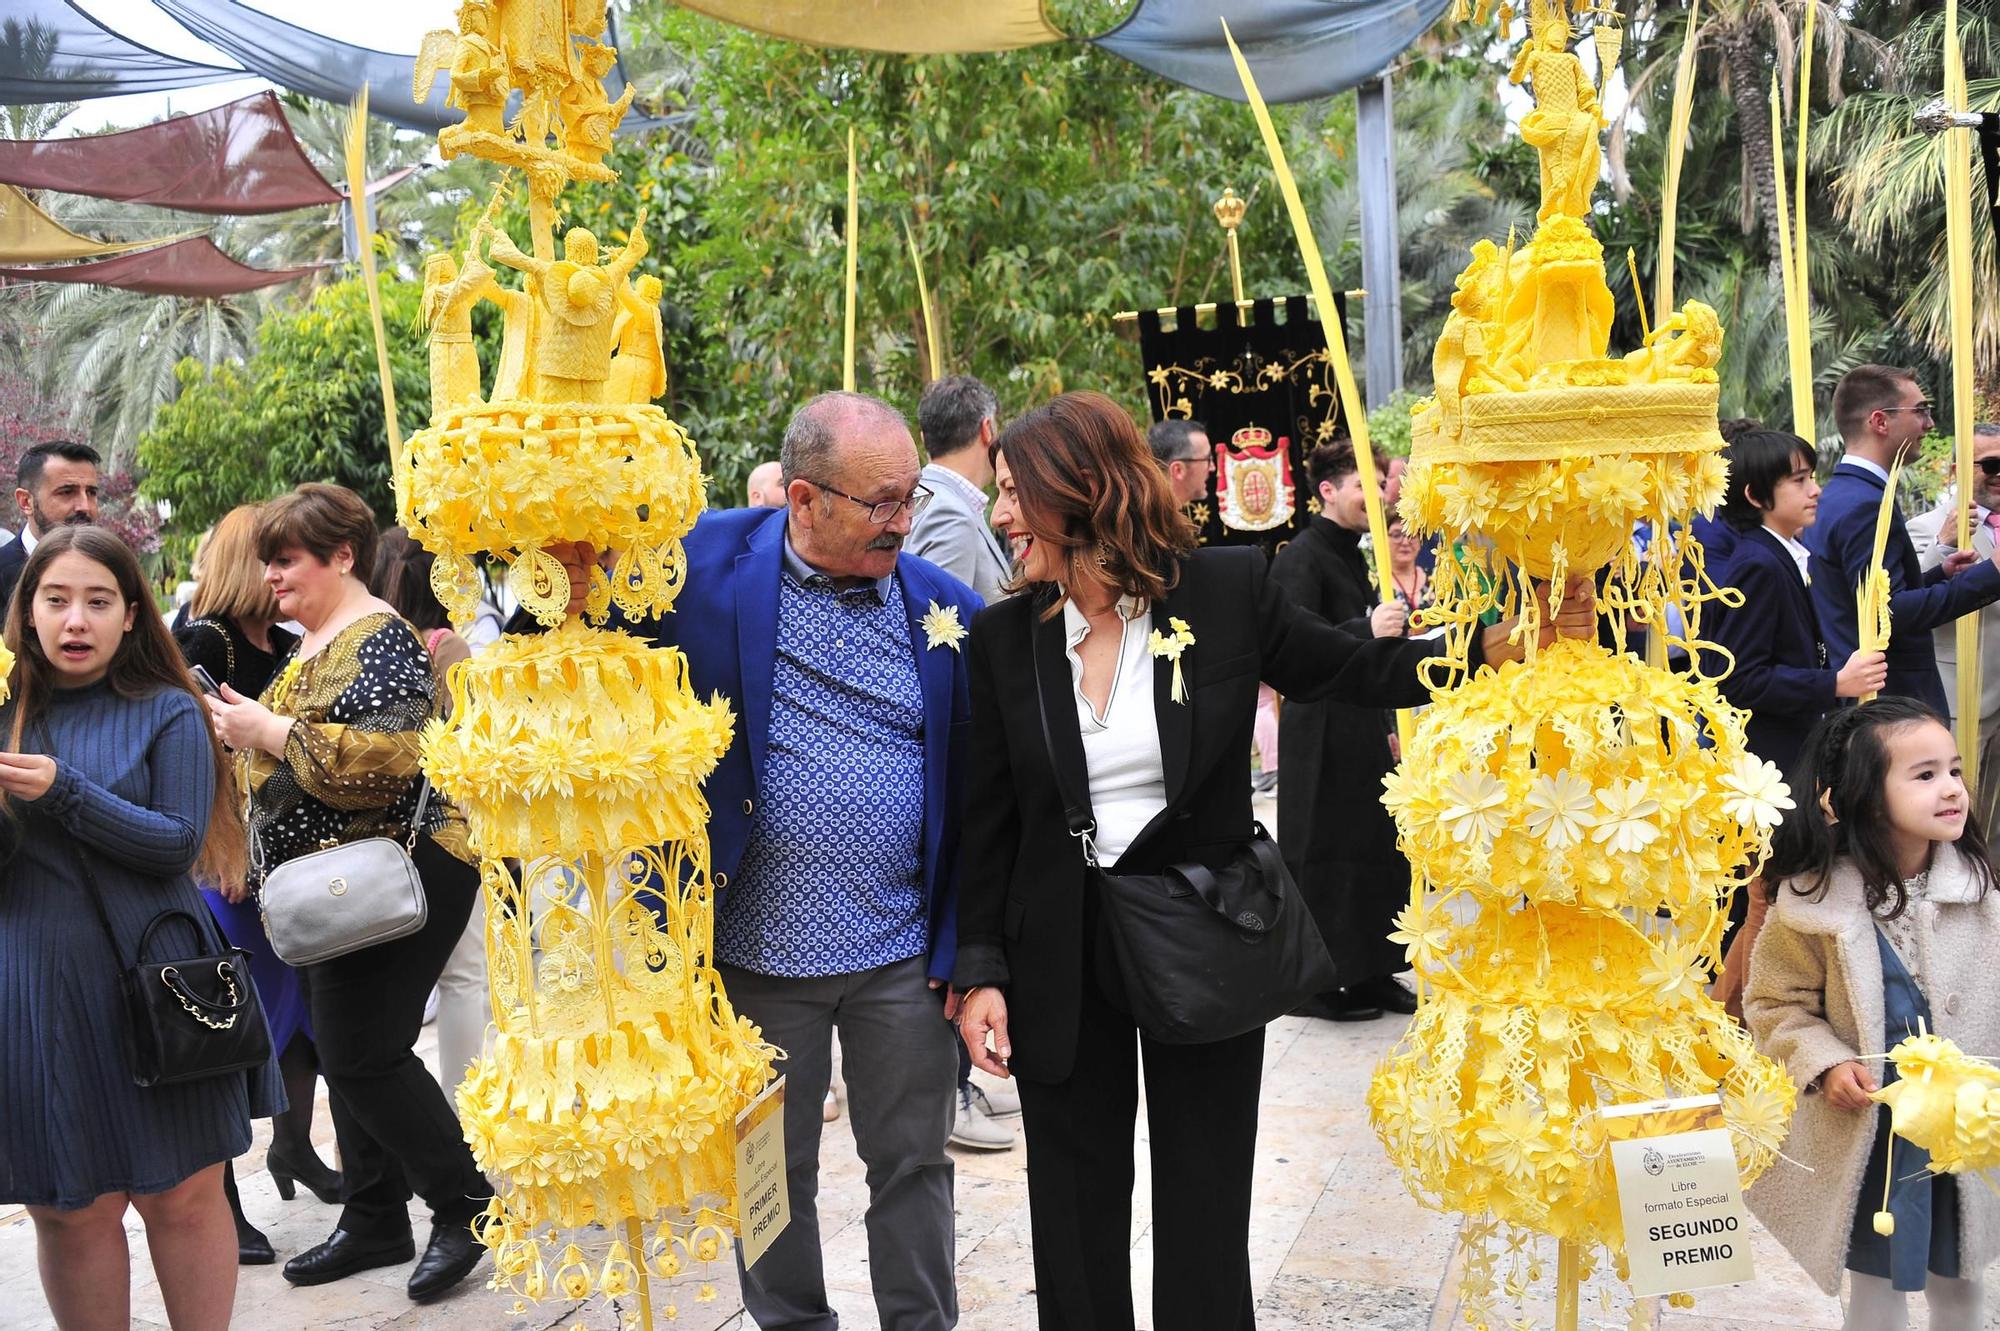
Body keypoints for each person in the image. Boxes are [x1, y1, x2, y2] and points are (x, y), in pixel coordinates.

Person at [952, 391, 1596, 1331]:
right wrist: (980, 971)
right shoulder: (1004, 638)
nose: (1000, 514)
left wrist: (1489, 650)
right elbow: (990, 817)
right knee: (1072, 1210)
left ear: (1080, 491)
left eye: (1016, 494)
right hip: (1059, 949)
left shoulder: (1221, 588)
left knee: (1205, 1204)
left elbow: (1344, 666)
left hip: (1205, 931)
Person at [634, 391, 982, 1331]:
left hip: (900, 955)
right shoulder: (702, 565)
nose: (903, 521)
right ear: (801, 499)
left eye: (910, 496)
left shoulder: (948, 608)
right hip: (751, 953)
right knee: (765, 1170)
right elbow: (596, 608)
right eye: (880, 502)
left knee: (912, 1162)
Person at [202, 484, 493, 1301]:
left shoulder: (379, 634)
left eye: (286, 559)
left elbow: (395, 755)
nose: (271, 576)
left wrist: (269, 731)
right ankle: (374, 1216)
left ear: (341, 556)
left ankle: (464, 1201)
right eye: (267, 561)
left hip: (404, 867)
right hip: (339, 883)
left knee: (364, 1054)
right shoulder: (320, 636)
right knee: (344, 1047)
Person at [0, 524, 273, 1331]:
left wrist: (64, 792)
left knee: (183, 1192)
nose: (74, 620)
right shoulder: (6, 710)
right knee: (69, 1205)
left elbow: (176, 843)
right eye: (56, 600)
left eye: (96, 601)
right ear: (29, 611)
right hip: (35, 989)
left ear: (130, 615)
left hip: (156, 980)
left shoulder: (168, 709)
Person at [1746, 699, 2000, 1331]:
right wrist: (1826, 1063)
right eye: (1924, 775)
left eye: (1954, 770)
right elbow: (1775, 1003)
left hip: (1964, 1138)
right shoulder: (1813, 903)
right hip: (1875, 1137)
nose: (1951, 789)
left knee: (1964, 1284)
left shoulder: (1979, 891)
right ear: (1862, 795)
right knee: (1878, 1289)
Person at [173, 504, 339, 1266]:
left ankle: (294, 1150)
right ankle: (227, 1203)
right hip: (229, 866)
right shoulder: (205, 641)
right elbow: (191, 757)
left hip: (285, 865)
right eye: (271, 556)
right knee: (239, 1035)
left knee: (297, 1022)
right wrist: (223, 852)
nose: (282, 571)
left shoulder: (288, 642)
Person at [1708, 430, 1886, 1019]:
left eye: (1812, 477)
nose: (1815, 491)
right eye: (1801, 481)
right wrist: (1833, 683)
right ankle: (1733, 1020)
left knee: (1769, 899)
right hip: (1771, 763)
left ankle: (1742, 1018)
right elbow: (1738, 678)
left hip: (1789, 756)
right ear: (1758, 494)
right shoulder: (1758, 562)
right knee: (1763, 900)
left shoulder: (1775, 553)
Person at [1269, 441, 1414, 1022]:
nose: (1376, 497)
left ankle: (1371, 971)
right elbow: (1291, 640)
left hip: (1359, 722)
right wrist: (1364, 625)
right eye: (1363, 485)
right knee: (1325, 851)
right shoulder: (1301, 556)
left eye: (1380, 485)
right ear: (1328, 491)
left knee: (1371, 845)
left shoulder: (1356, 552)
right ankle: (1315, 984)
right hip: (1320, 728)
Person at [1807, 366, 2000, 713]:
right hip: (1890, 703)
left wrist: (1939, 574)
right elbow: (1888, 614)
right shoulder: (1863, 503)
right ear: (1880, 421)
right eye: (1921, 411)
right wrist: (1993, 572)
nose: (1929, 425)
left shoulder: (1844, 493)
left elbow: (1868, 599)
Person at [370, 526, 486, 1101]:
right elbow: (464, 746)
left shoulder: (361, 647)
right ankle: (462, 1124)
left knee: (390, 992)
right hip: (441, 830)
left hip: (372, 841)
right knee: (464, 975)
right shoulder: (445, 646)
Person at [1908, 422, 2000, 834]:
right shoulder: (1927, 528)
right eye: (1990, 464)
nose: (1999, 474)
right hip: (1965, 700)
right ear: (1960, 468)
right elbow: (1909, 605)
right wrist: (1942, 547)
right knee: (1962, 821)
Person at [910, 374, 1011, 604]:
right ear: (987, 429)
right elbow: (942, 625)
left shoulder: (916, 495)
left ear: (924, 438)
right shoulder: (949, 515)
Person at [0, 439, 101, 617]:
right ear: (26, 501)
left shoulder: (114, 571)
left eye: (91, 493)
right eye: (67, 492)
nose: (84, 506)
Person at [1144, 419, 1213, 509]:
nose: (1212, 467)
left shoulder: (1155, 513)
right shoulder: (1147, 520)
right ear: (1178, 470)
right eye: (1207, 459)